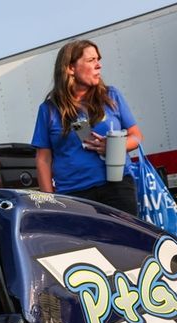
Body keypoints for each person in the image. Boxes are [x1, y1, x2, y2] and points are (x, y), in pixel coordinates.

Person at [31, 39, 143, 215]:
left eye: (98, 60)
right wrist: (50, 202)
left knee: (123, 242)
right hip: (73, 195)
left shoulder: (111, 95)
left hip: (117, 186)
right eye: (91, 60)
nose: (98, 66)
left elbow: (136, 136)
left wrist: (115, 146)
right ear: (70, 68)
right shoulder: (49, 109)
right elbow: (43, 159)